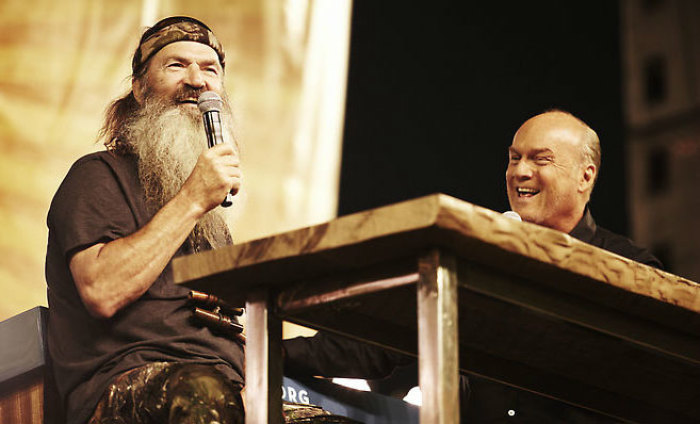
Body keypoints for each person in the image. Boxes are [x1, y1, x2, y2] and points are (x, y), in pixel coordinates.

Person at [283, 110, 662, 422]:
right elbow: (377, 344)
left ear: (586, 176)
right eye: (514, 158)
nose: (520, 172)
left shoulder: (630, 269)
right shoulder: (477, 257)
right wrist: (267, 353)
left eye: (539, 159)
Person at [48, 16, 255, 424]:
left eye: (210, 69)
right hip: (126, 386)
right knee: (203, 396)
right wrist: (193, 198)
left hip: (223, 389)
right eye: (176, 65)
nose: (196, 80)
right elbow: (102, 290)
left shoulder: (213, 219)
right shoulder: (97, 175)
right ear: (140, 90)